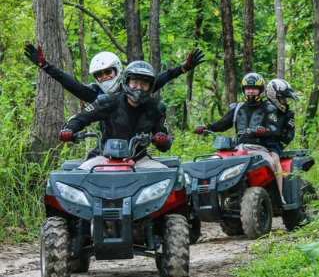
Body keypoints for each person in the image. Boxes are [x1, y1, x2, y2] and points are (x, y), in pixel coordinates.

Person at [194, 72, 291, 203]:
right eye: (248, 88)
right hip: (237, 149)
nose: (250, 91)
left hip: (260, 149)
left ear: (260, 90)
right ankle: (214, 200)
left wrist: (264, 131)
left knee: (274, 163)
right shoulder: (238, 107)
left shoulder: (269, 108)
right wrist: (206, 127)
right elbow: (222, 123)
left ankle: (280, 196)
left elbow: (275, 129)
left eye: (254, 88)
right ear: (244, 90)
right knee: (213, 162)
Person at [58, 60, 172, 170]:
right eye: (134, 82)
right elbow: (82, 118)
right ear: (127, 82)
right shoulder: (107, 102)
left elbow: (165, 142)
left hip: (139, 159)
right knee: (78, 178)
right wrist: (69, 129)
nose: (139, 87)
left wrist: (161, 139)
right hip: (104, 157)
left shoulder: (156, 108)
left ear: (150, 86)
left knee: (168, 177)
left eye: (144, 84)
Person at [24, 43, 205, 102]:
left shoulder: (134, 87)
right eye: (99, 75)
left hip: (136, 148)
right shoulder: (96, 94)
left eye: (107, 72)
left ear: (117, 69)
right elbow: (69, 82)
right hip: (106, 148)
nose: (104, 77)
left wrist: (183, 67)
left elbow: (161, 78)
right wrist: (46, 66)